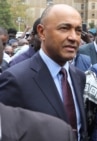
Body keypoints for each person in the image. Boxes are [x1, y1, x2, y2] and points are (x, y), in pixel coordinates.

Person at [0, 4, 87, 140]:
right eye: (64, 28)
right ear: (41, 32)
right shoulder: (15, 79)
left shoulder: (79, 77)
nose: (74, 37)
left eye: (78, 30)